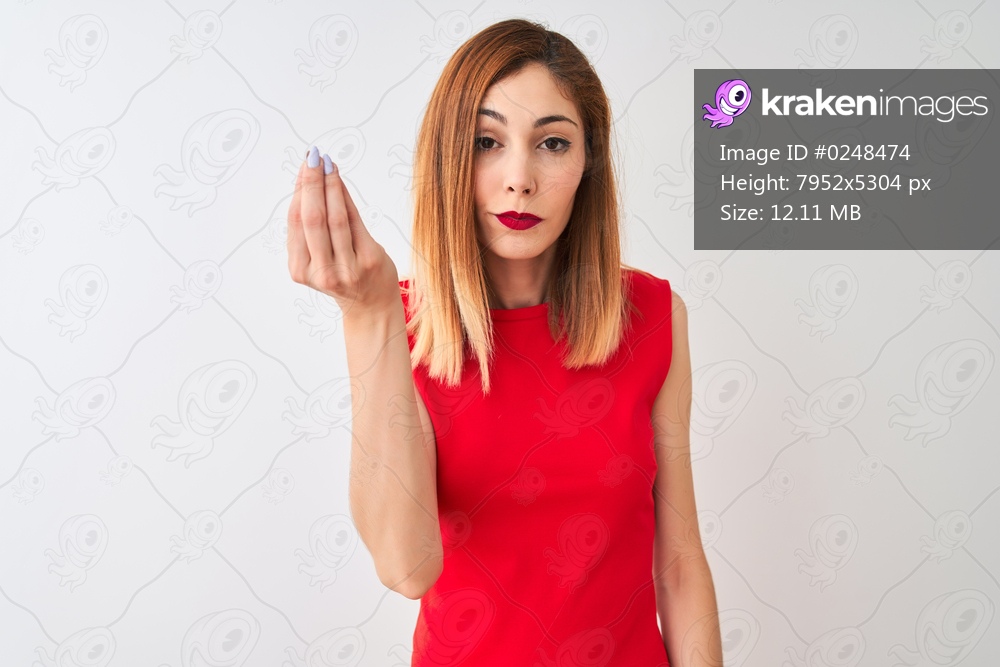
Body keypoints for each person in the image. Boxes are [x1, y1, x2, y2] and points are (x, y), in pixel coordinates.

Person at [286, 18, 721, 667]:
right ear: (449, 158)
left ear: (587, 163)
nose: (519, 177)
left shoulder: (655, 317)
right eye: (487, 141)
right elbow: (407, 568)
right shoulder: (397, 324)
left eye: (552, 143)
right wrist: (368, 314)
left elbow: (680, 562)